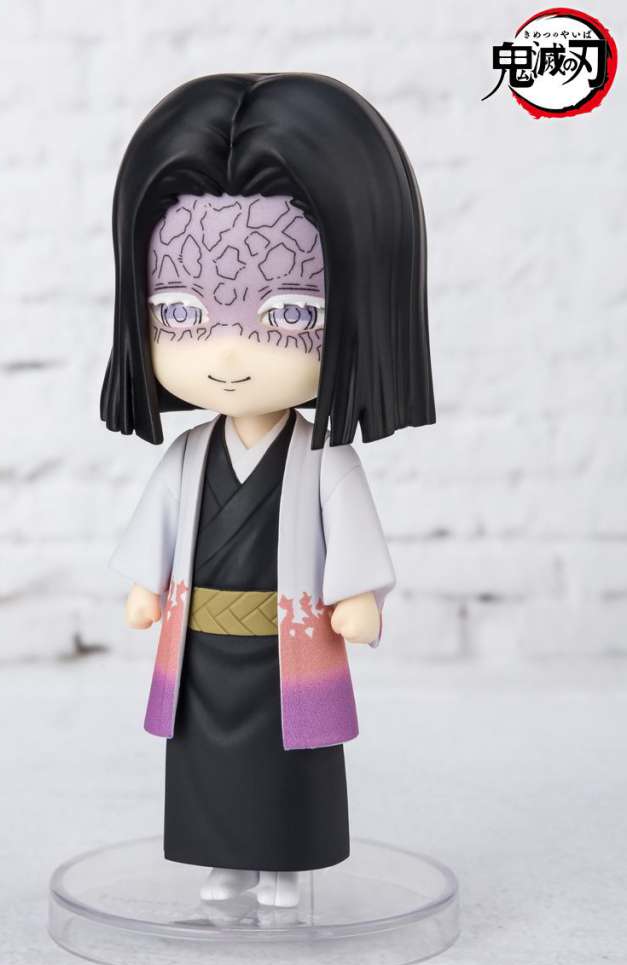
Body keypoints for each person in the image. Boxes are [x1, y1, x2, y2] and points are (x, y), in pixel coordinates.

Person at [102, 74, 435, 908]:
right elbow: (158, 527)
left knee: (290, 757)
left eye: (286, 315)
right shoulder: (189, 456)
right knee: (206, 758)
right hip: (202, 642)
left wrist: (354, 595)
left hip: (288, 636)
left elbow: (349, 535)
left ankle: (285, 863)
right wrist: (146, 586)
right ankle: (225, 860)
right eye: (181, 313)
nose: (227, 352)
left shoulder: (322, 458)